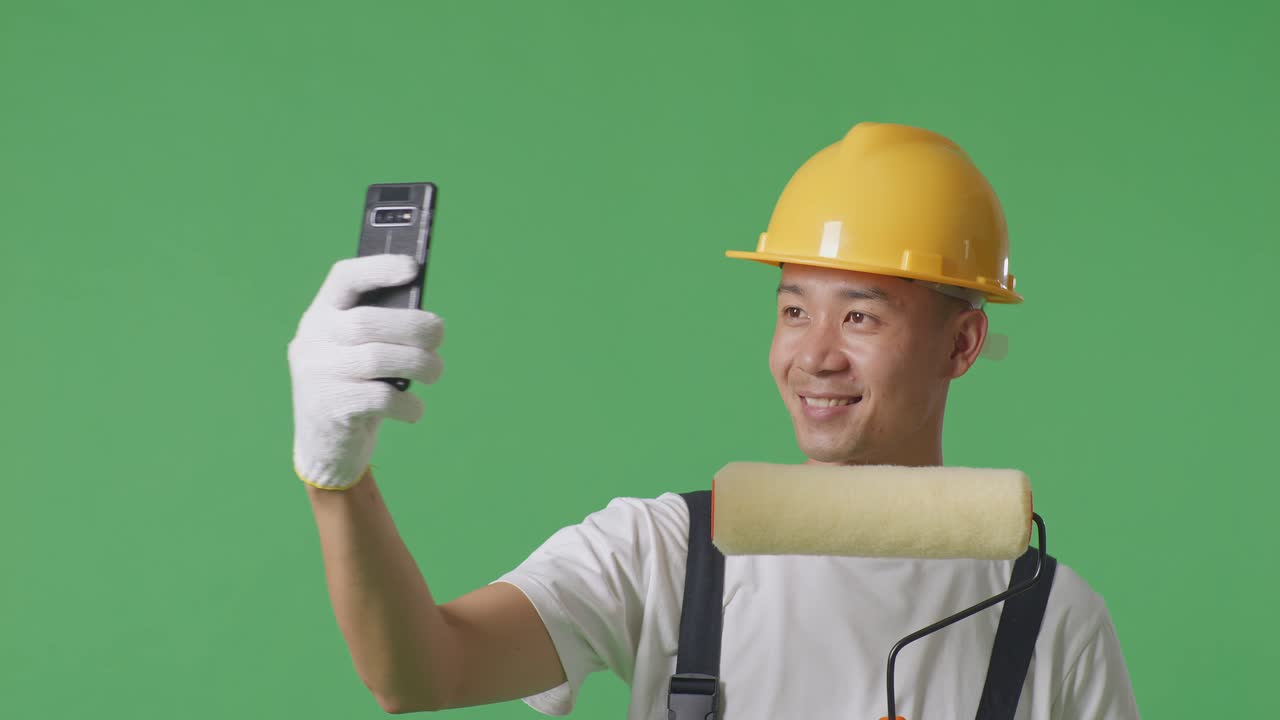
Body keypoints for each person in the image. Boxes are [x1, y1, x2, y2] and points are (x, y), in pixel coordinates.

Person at [288, 122, 1141, 719]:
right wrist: (338, 480)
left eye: (861, 317)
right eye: (795, 310)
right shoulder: (667, 553)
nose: (813, 356)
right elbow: (418, 671)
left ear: (962, 344)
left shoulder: (1050, 614)